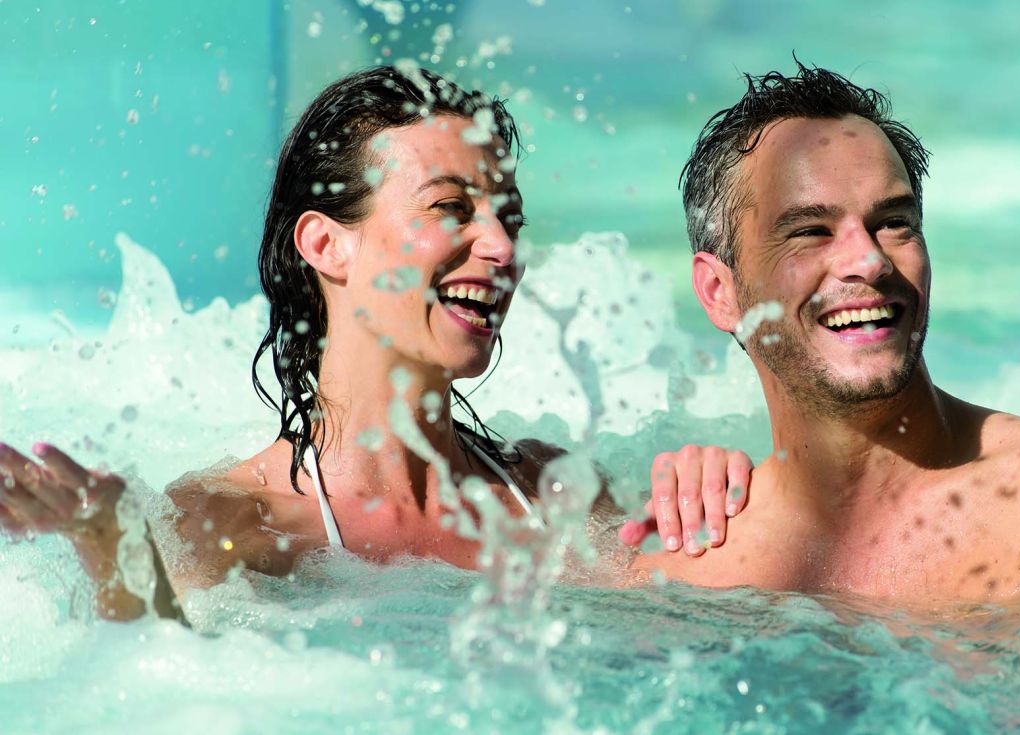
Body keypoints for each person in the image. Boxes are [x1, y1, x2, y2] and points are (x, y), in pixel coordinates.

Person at [0, 66, 751, 623]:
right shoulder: (232, 524)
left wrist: (711, 486)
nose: (502, 247)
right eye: (450, 208)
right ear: (327, 244)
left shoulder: (553, 492)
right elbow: (165, 686)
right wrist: (114, 550)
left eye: (510, 219)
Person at [634, 63, 1020, 624]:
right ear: (719, 293)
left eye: (894, 223)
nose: (869, 260)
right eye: (811, 231)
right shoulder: (681, 567)